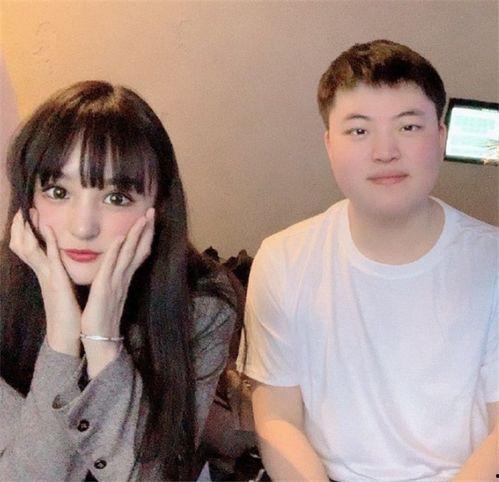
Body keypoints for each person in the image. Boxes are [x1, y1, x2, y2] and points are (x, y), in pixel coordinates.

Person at [237, 40, 498, 481]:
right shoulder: (283, 260)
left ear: (441, 136)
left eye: (408, 127)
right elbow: (278, 418)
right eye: (359, 131)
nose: (384, 151)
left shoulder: (490, 261)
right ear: (329, 143)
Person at [0, 81, 237, 481]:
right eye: (58, 191)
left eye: (116, 198)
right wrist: (62, 340)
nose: (83, 227)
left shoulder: (201, 305)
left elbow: (154, 476)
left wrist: (103, 343)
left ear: (157, 206)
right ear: (28, 201)